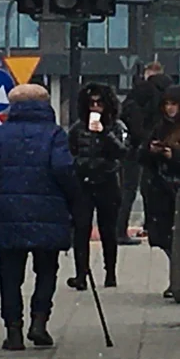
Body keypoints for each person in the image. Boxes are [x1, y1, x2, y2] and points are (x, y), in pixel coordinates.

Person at [0, 84, 77, 351]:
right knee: (46, 270)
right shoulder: (54, 134)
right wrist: (74, 203)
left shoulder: (1, 135)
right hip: (48, 211)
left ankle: (13, 331)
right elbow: (64, 169)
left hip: (7, 213)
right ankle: (39, 322)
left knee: (10, 276)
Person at [67, 83, 129, 291]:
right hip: (83, 182)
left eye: (99, 103)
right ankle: (81, 274)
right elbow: (70, 152)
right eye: (91, 103)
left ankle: (110, 272)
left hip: (108, 181)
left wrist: (104, 133)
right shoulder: (77, 128)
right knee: (81, 228)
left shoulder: (116, 127)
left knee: (108, 230)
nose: (95, 107)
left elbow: (122, 152)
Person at [140, 85, 180, 299]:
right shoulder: (159, 128)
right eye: (167, 104)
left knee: (178, 237)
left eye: (175, 104)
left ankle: (179, 279)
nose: (171, 109)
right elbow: (140, 156)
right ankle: (178, 278)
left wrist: (176, 156)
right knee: (163, 236)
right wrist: (152, 151)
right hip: (160, 189)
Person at [119, 61, 174, 244]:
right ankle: (153, 226)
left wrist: (141, 138)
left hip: (137, 148)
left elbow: (128, 115)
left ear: (147, 74)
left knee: (129, 189)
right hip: (161, 146)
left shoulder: (141, 91)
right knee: (153, 188)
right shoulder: (170, 91)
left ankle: (120, 230)